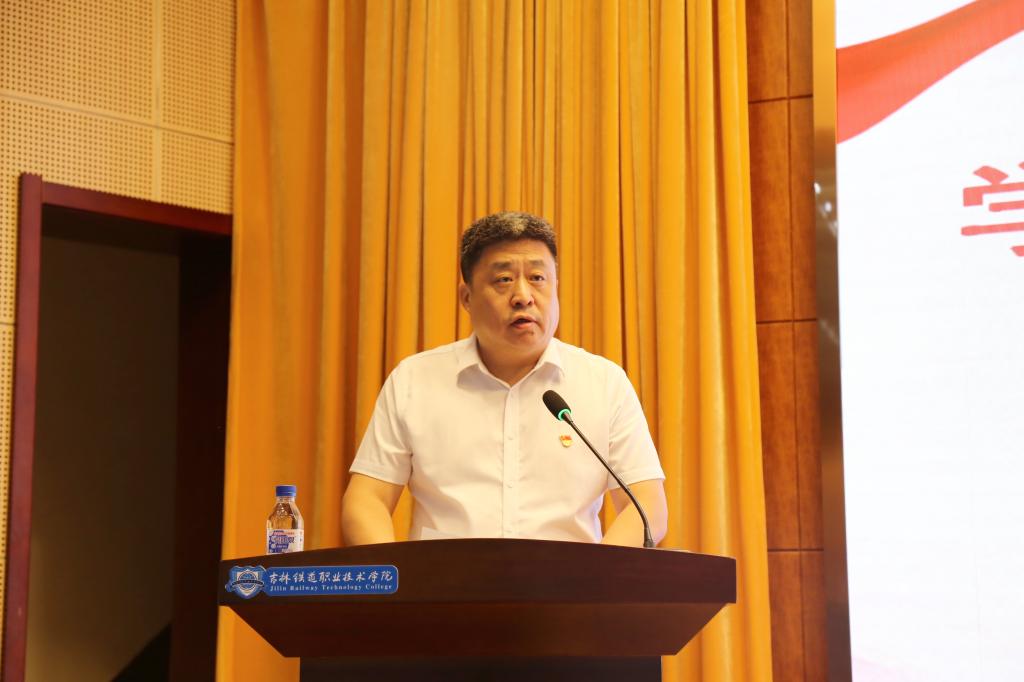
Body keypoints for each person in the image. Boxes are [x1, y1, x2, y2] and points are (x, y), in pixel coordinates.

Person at [341, 211, 668, 547]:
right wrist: (397, 576)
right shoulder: (414, 381)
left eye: (538, 278)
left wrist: (595, 577)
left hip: (570, 580)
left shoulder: (604, 384)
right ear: (467, 298)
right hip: (445, 580)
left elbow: (646, 507)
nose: (523, 296)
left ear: (556, 287)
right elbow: (367, 500)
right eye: (503, 280)